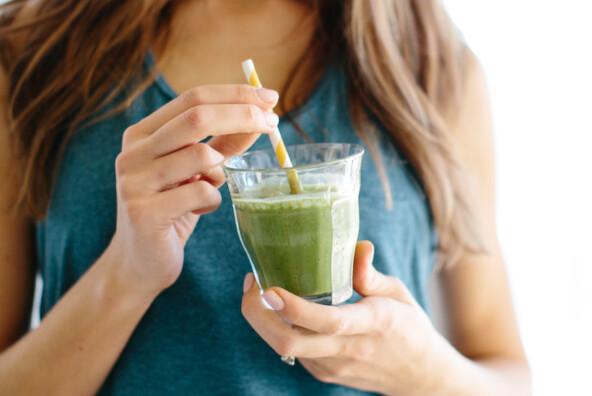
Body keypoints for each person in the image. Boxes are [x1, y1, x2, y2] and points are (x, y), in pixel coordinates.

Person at [0, 0, 531, 394]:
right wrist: (128, 273)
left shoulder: (433, 65)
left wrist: (422, 370)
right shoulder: (27, 55)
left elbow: (507, 373)